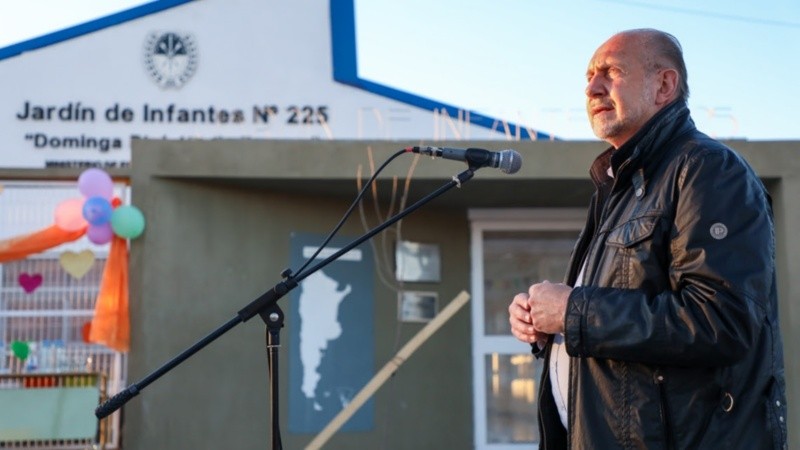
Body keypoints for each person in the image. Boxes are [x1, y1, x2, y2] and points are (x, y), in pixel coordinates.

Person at [508, 28, 788, 449]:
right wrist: (545, 322)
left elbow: (722, 322)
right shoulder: (619, 187)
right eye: (588, 75)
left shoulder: (709, 171)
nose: (592, 87)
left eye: (611, 71)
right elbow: (616, 319)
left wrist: (573, 312)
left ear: (664, 85)